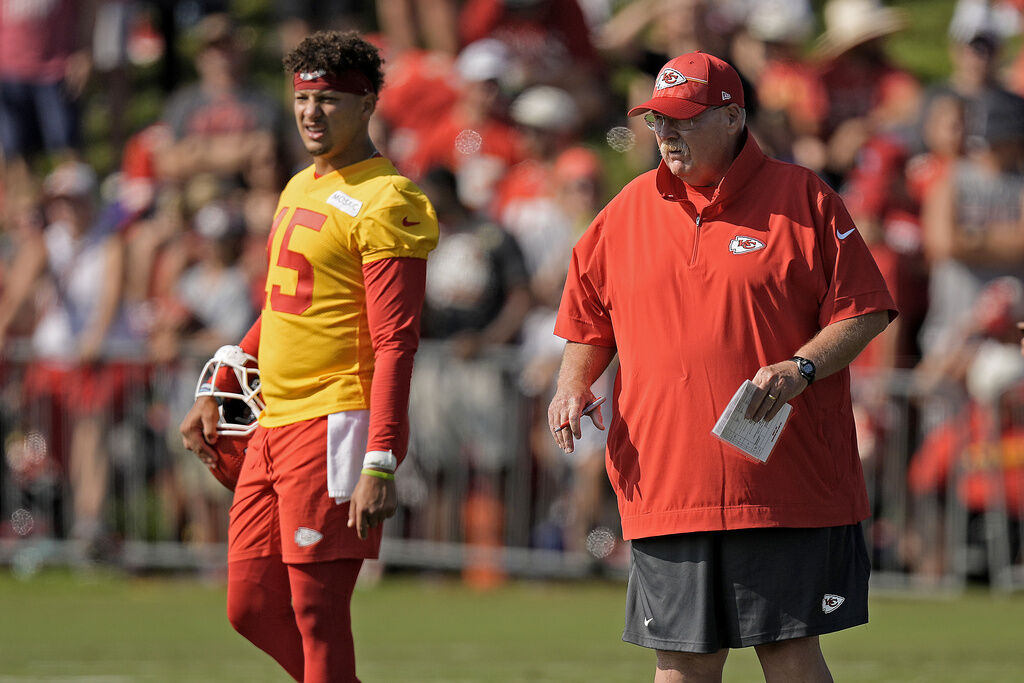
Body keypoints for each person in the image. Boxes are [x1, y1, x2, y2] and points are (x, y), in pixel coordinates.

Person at [547, 51, 897, 682]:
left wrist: (801, 368)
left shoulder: (803, 196)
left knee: (790, 655)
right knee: (680, 665)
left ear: (735, 116)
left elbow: (865, 310)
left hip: (780, 482)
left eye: (682, 118)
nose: (665, 134)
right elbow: (586, 321)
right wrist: (572, 385)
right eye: (656, 121)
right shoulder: (625, 210)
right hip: (666, 483)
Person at [178, 30, 438, 682]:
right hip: (274, 420)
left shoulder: (388, 198)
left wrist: (381, 455)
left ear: (367, 104)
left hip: (333, 423)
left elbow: (395, 339)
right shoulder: (298, 185)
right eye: (301, 98)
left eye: (328, 100)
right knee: (248, 603)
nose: (310, 113)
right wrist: (223, 380)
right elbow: (282, 307)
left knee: (318, 613)